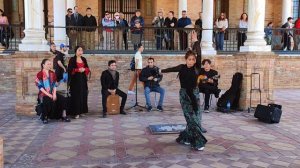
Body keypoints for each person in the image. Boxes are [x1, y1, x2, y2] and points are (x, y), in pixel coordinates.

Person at [160, 32, 207, 151]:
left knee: (196, 118)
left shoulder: (197, 68)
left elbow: (199, 54)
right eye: (189, 59)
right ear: (186, 59)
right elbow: (172, 69)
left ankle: (186, 138)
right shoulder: (182, 67)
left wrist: (196, 41)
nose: (191, 61)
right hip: (185, 95)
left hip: (194, 94)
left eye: (193, 60)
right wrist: (161, 70)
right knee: (191, 118)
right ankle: (198, 142)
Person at [35, 59, 71, 124]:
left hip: (52, 92)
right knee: (46, 100)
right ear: (43, 65)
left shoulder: (52, 73)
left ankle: (63, 115)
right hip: (43, 94)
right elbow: (40, 87)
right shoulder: (39, 74)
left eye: (50, 64)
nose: (49, 65)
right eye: (48, 64)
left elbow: (54, 85)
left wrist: (54, 94)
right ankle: (45, 117)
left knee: (63, 99)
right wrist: (49, 95)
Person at [68, 46, 90, 119]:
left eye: (81, 50)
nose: (80, 52)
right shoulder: (72, 59)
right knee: (76, 96)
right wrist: (77, 70)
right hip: (75, 80)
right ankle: (76, 112)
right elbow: (70, 70)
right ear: (75, 51)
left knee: (83, 94)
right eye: (79, 50)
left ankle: (82, 111)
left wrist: (84, 69)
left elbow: (87, 68)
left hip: (83, 79)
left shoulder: (84, 59)